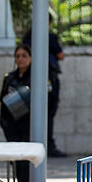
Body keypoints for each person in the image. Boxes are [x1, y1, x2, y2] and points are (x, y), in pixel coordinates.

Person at [22, 15, 67, 157]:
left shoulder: (28, 38)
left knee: (41, 113)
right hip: (47, 79)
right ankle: (47, 145)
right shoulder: (49, 37)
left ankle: (43, 144)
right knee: (48, 113)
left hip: (37, 79)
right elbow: (61, 55)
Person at [0, 44, 34, 182]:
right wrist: (4, 124)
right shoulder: (9, 78)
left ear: (31, 58)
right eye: (18, 56)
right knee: (17, 164)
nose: (20, 59)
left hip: (28, 127)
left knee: (26, 164)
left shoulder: (36, 77)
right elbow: (3, 102)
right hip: (13, 127)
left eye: (24, 55)